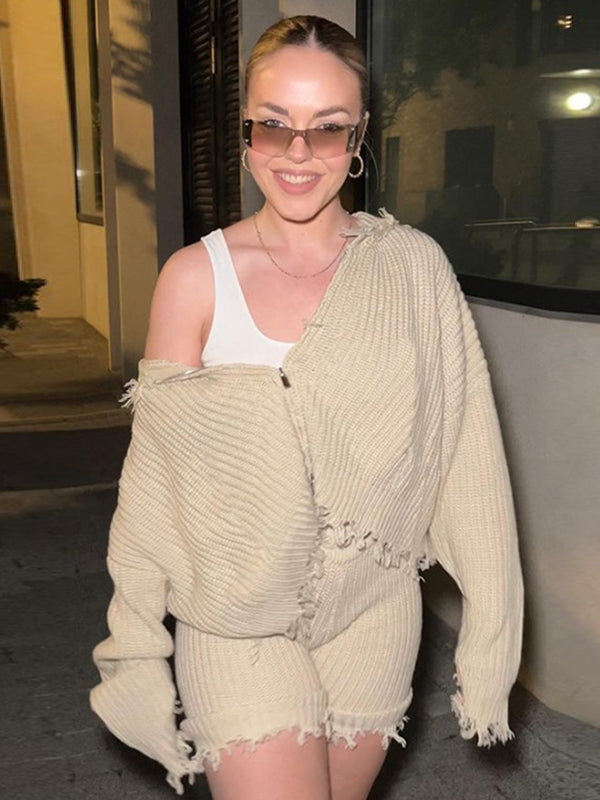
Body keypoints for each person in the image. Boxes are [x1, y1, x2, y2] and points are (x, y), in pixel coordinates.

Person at [90, 15, 524, 800]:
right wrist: (136, 638)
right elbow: (156, 481)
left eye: (326, 128)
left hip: (374, 609)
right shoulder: (194, 278)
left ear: (359, 136)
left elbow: (467, 451)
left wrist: (492, 627)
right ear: (245, 130)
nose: (297, 153)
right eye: (274, 124)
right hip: (237, 616)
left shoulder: (413, 269)